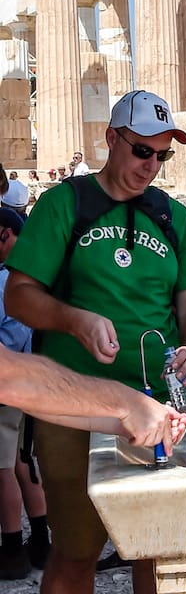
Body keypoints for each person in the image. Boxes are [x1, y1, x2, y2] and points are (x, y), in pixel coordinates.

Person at [3, 89, 186, 594]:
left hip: (158, 410)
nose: (152, 166)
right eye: (142, 150)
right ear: (111, 138)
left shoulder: (174, 218)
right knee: (76, 553)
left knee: (156, 554)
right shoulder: (63, 204)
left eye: (162, 155)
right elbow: (19, 296)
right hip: (71, 408)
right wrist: (73, 319)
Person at [0, 208, 46, 580]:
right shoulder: (29, 280)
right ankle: (42, 543)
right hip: (30, 379)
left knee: (2, 469)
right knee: (23, 462)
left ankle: (12, 550)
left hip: (6, 384)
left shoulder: (4, 281)